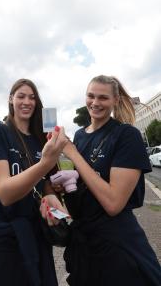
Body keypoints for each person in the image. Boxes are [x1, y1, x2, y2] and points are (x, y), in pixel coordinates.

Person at [41, 75, 161, 286]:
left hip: (116, 246)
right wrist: (65, 187)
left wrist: (72, 153)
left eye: (103, 98)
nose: (95, 103)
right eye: (91, 96)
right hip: (85, 247)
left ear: (115, 101)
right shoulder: (80, 135)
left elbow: (113, 203)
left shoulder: (126, 135)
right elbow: (87, 185)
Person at [0, 78, 68, 286]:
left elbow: (46, 181)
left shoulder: (42, 140)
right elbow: (5, 193)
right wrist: (45, 163)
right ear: (11, 99)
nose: (27, 102)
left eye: (32, 97)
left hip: (34, 236)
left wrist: (49, 194)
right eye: (21, 96)